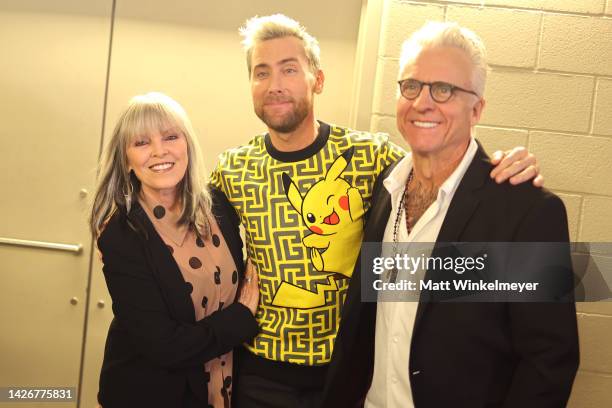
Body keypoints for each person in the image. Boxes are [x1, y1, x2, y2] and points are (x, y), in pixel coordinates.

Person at [210, 15, 545, 407]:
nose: (275, 84)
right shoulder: (230, 170)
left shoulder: (373, 157)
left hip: (348, 375)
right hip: (261, 375)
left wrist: (506, 164)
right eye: (261, 73)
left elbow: (443, 163)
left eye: (289, 69)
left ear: (317, 79)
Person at [323, 22, 579, 408]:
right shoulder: (385, 188)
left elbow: (549, 363)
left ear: (477, 108)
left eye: (444, 89)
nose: (423, 102)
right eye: (411, 85)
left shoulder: (526, 212)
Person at [89, 92, 260, 408]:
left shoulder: (218, 206)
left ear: (187, 145)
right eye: (141, 143)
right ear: (126, 159)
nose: (159, 151)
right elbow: (164, 346)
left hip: (221, 389)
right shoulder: (121, 234)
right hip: (148, 394)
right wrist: (241, 318)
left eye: (170, 137)